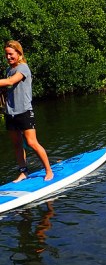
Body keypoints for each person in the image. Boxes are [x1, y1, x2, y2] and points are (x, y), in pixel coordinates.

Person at [0, 40, 54, 183]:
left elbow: (11, 82)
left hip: (24, 111)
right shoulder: (8, 70)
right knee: (17, 144)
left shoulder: (23, 68)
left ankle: (49, 170)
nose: (8, 57)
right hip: (10, 113)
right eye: (6, 54)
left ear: (18, 53)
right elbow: (8, 87)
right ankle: (23, 172)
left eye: (11, 54)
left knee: (31, 143)